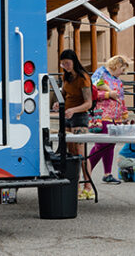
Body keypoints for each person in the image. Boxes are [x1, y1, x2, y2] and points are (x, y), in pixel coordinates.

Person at [52, 48, 94, 199]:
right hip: (68, 115)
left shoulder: (83, 78)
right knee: (70, 153)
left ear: (74, 61)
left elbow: (88, 103)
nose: (66, 66)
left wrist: (74, 110)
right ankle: (75, 185)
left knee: (81, 154)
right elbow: (64, 93)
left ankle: (88, 186)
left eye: (67, 63)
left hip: (79, 116)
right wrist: (58, 103)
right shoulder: (66, 77)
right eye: (63, 64)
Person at [87, 54, 131, 184]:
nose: (123, 73)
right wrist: (107, 94)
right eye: (122, 69)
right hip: (102, 114)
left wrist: (124, 113)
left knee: (111, 144)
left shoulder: (118, 81)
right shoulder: (100, 75)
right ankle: (86, 170)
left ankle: (107, 173)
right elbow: (91, 93)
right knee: (102, 144)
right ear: (117, 66)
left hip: (115, 117)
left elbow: (121, 98)